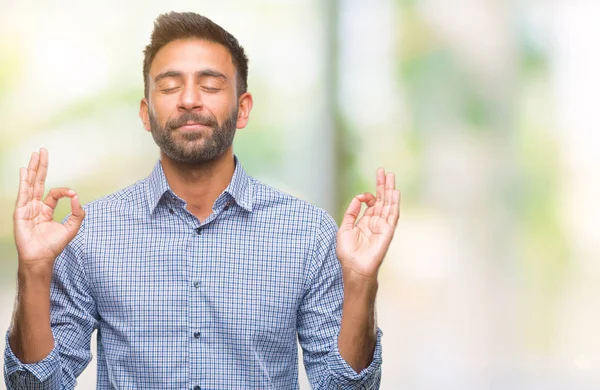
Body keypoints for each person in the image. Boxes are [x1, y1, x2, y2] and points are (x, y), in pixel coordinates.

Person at [4, 11, 400, 390]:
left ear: (242, 109)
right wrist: (34, 271)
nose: (189, 100)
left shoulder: (308, 233)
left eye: (210, 85)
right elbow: (36, 387)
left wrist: (361, 282)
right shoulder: (90, 233)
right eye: (170, 86)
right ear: (146, 113)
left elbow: (344, 387)